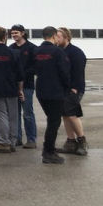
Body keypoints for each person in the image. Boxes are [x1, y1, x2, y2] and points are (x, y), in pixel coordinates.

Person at [29, 26, 71, 164]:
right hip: (55, 91)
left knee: (51, 120)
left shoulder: (36, 51)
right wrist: (68, 87)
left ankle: (49, 149)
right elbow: (64, 72)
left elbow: (31, 69)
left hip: (41, 91)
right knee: (54, 122)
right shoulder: (58, 52)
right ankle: (48, 152)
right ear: (53, 36)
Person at [56, 27, 88, 156]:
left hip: (74, 89)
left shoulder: (76, 52)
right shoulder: (58, 51)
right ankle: (70, 142)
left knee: (72, 114)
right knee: (65, 114)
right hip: (62, 89)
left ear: (66, 38)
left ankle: (82, 141)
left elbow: (78, 72)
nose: (56, 39)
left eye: (58, 36)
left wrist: (74, 88)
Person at [10, 24, 38, 149]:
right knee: (15, 114)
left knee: (27, 113)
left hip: (27, 86)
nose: (14, 35)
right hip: (13, 86)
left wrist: (23, 73)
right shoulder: (10, 48)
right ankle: (17, 138)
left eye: (16, 32)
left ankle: (31, 139)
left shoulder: (32, 48)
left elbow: (36, 67)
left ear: (22, 33)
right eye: (12, 33)